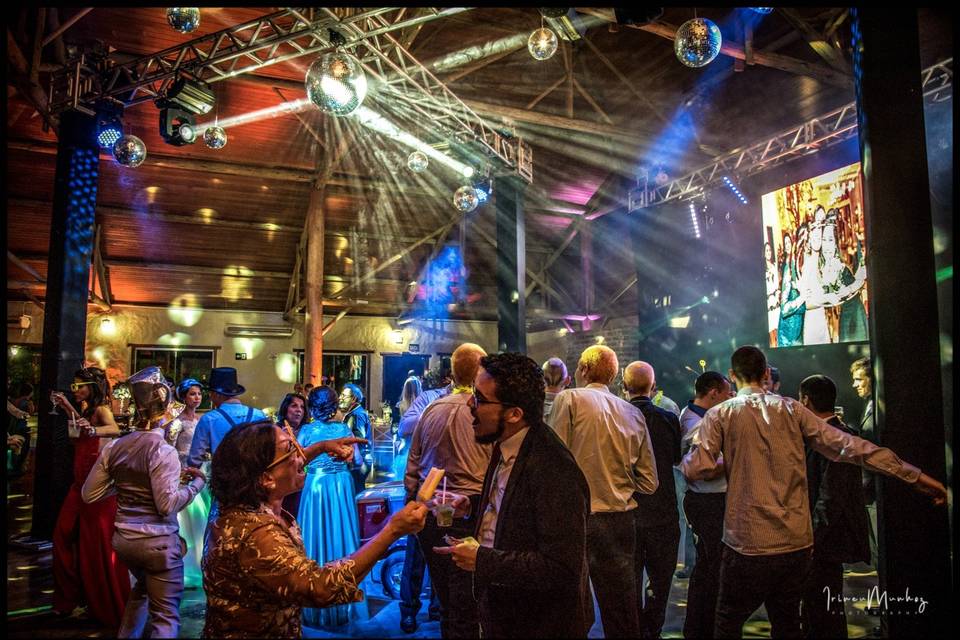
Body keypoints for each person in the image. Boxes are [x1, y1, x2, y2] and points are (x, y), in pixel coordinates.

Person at [681, 346, 947, 638]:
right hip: (796, 545)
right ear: (766, 373)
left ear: (732, 376)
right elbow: (850, 447)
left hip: (747, 543)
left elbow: (696, 469)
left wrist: (720, 457)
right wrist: (916, 477)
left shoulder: (720, 415)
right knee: (788, 625)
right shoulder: (793, 409)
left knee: (728, 625)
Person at [201, 420, 426, 638]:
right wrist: (391, 530)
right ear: (267, 479)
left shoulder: (239, 495)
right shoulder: (256, 536)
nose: (300, 453)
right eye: (291, 448)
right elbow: (319, 587)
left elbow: (276, 467)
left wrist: (321, 446)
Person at [433, 352, 593, 638]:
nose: (470, 404)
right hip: (503, 613)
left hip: (537, 624)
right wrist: (470, 506)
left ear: (514, 414)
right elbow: (515, 507)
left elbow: (562, 568)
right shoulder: (506, 444)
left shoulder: (552, 467)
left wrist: (482, 561)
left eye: (480, 399)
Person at [81, 367, 207, 638]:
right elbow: (166, 504)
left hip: (124, 540)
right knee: (165, 616)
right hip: (157, 543)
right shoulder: (163, 450)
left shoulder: (115, 446)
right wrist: (197, 485)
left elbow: (89, 494)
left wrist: (129, 484)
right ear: (166, 408)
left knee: (140, 593)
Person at [547, 345, 658, 639]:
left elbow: (554, 459)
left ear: (583, 370)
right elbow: (650, 482)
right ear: (615, 376)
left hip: (578, 518)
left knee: (571, 606)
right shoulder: (633, 412)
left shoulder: (569, 399)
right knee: (621, 612)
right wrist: (618, 481)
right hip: (621, 520)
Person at [405, 343, 489, 638]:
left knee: (445, 596)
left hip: (431, 513)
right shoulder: (484, 413)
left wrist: (413, 502)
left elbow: (412, 465)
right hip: (472, 512)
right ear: (481, 371)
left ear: (452, 372)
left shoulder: (430, 410)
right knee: (469, 599)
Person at [51, 367, 130, 629]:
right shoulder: (85, 411)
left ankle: (101, 604)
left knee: (96, 544)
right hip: (79, 485)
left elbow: (114, 429)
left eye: (80, 386)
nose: (76, 391)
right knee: (63, 535)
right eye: (73, 387)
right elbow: (83, 429)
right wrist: (67, 409)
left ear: (92, 387)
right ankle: (71, 597)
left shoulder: (101, 409)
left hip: (95, 488)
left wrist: (93, 430)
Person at [798, 375, 870, 639]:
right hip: (825, 535)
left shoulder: (834, 438)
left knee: (823, 605)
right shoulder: (839, 433)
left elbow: (830, 497)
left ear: (806, 400)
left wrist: (811, 536)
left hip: (825, 537)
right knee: (821, 603)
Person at [298, 386, 368, 629]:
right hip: (340, 485)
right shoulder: (343, 429)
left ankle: (313, 604)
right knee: (342, 535)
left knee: (313, 537)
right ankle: (342, 603)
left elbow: (297, 464)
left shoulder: (306, 432)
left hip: (316, 485)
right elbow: (358, 462)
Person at [623, 361, 682, 639]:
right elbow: (675, 459)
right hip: (662, 511)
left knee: (629, 581)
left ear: (624, 387)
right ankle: (652, 630)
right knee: (660, 581)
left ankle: (633, 629)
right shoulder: (668, 418)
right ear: (654, 387)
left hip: (628, 512)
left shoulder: (616, 419)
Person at [679, 371, 733, 640]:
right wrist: (738, 458)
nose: (731, 397)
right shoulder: (695, 423)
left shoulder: (702, 418)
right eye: (727, 392)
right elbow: (701, 469)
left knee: (708, 568)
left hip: (710, 501)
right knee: (711, 570)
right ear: (713, 393)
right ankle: (703, 629)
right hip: (708, 502)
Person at [186, 367, 267, 539]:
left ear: (215, 394)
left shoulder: (209, 419)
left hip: (226, 489)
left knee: (222, 536)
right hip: (257, 488)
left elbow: (194, 459)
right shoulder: (259, 416)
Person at [397, 372, 448, 634]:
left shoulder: (475, 402)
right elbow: (404, 426)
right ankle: (408, 610)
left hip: (453, 492)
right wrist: (433, 413)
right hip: (425, 491)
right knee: (415, 556)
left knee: (445, 554)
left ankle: (437, 608)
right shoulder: (430, 398)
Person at [168, 378, 209, 589]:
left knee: (200, 517)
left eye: (199, 394)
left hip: (199, 471)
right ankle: (185, 563)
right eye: (193, 394)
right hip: (183, 472)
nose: (197, 398)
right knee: (188, 517)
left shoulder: (201, 420)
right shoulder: (176, 422)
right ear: (183, 397)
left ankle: (201, 560)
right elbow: (169, 449)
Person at [819, 211, 867, 342]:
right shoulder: (820, 259)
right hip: (837, 316)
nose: (827, 244)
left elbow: (862, 275)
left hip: (854, 310)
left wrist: (849, 289)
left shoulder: (849, 248)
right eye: (824, 239)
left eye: (830, 239)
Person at [850, 356, 879, 567]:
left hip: (876, 485)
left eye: (860, 379)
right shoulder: (869, 404)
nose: (855, 384)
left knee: (880, 547)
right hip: (869, 487)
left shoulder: (878, 406)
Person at [277, 392, 309, 516]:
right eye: (294, 406)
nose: (298, 410)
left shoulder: (308, 431)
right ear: (285, 408)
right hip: (283, 485)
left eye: (302, 407)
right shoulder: (276, 430)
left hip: (303, 485)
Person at [339, 383, 372, 495]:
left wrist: (358, 461)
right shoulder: (353, 413)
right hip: (357, 460)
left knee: (356, 493)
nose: (340, 398)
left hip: (359, 461)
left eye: (344, 396)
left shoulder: (357, 415)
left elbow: (358, 439)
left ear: (354, 399)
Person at [777, 231, 805, 347]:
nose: (787, 245)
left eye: (789, 242)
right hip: (789, 322)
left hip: (797, 317)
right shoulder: (787, 265)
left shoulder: (797, 262)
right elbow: (784, 308)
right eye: (785, 243)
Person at [7, 382, 34, 476]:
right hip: (19, 428)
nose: (9, 386)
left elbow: (15, 411)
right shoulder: (25, 402)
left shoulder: (12, 401)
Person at [765, 241, 781, 345]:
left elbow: (777, 284)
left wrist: (778, 292)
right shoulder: (763, 268)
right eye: (766, 250)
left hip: (776, 301)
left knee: (778, 328)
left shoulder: (774, 266)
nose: (769, 252)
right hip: (768, 302)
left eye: (770, 250)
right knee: (772, 333)